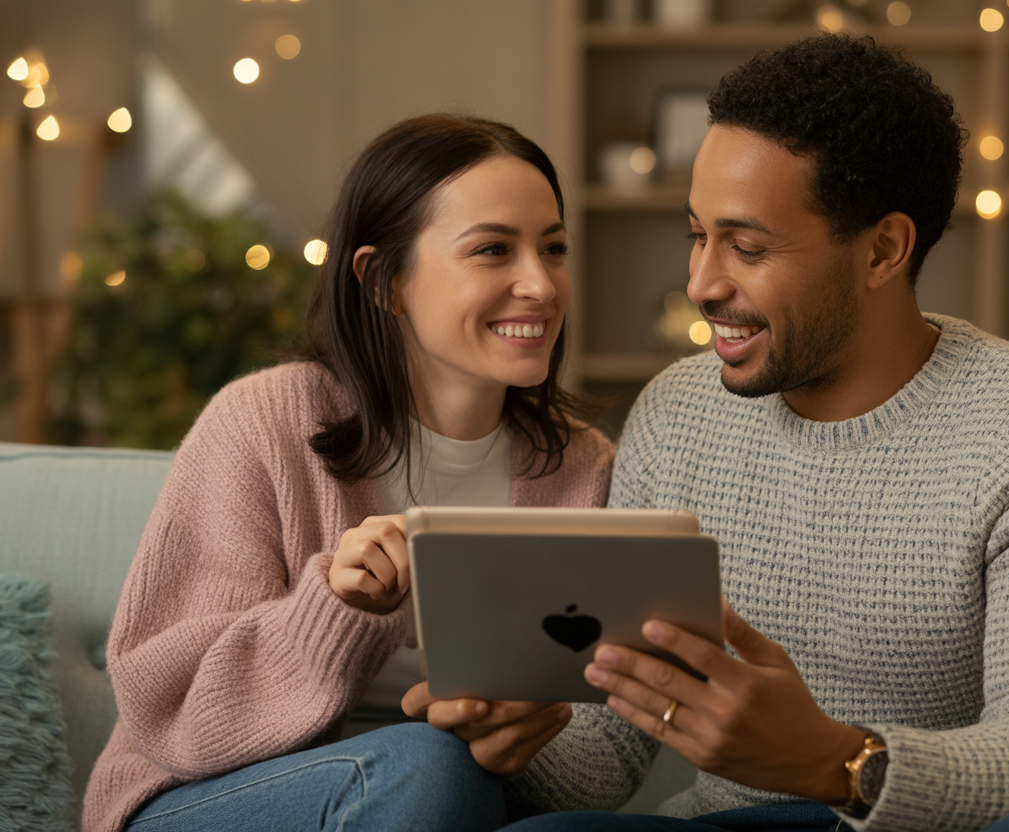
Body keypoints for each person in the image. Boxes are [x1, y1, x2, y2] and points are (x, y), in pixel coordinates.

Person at [495, 33, 1009, 832]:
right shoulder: (677, 414)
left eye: (747, 247)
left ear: (883, 250)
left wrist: (836, 762)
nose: (701, 283)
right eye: (697, 235)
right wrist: (518, 734)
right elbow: (609, 751)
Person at [82, 115, 614, 832]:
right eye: (492, 249)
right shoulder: (262, 423)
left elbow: (589, 726)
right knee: (430, 767)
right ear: (384, 281)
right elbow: (169, 709)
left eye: (553, 249)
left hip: (450, 807)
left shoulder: (583, 469)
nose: (541, 285)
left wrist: (518, 737)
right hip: (201, 799)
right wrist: (333, 609)